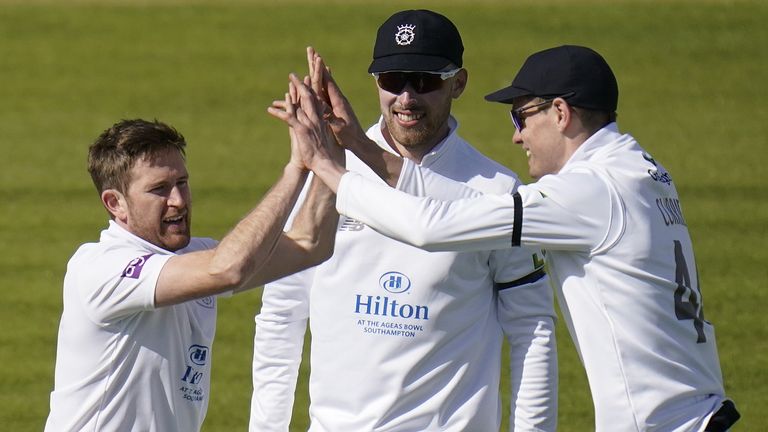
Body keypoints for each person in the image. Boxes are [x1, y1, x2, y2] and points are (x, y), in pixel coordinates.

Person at [287, 44, 741, 431]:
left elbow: (434, 226)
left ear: (560, 113)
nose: (516, 136)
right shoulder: (639, 171)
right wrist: (362, 146)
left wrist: (328, 165)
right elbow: (457, 205)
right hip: (695, 412)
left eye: (521, 116)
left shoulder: (587, 193)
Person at [252, 10, 557, 432]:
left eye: (425, 81)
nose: (407, 98)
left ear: (459, 83)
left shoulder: (498, 190)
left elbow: (532, 327)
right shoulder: (328, 169)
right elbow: (281, 311)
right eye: (393, 81)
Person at [44, 116, 339, 431]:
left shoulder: (195, 257)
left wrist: (328, 151)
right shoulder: (101, 268)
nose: (179, 201)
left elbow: (310, 244)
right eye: (159, 189)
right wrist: (296, 169)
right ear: (116, 203)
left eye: (181, 183)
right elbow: (228, 269)